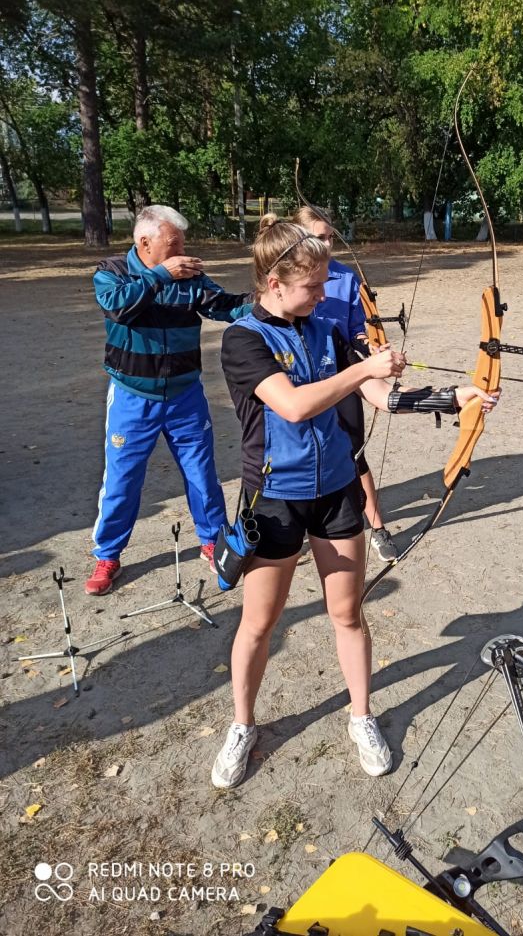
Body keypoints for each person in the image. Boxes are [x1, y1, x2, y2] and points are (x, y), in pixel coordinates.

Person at [212, 219, 499, 788]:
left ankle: (361, 716)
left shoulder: (325, 332)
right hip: (274, 499)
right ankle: (242, 725)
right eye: (312, 286)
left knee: (347, 613)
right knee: (259, 623)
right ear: (274, 283)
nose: (323, 295)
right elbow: (293, 405)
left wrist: (453, 396)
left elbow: (382, 396)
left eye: (324, 284)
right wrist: (364, 366)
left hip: (337, 491)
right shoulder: (243, 339)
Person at [86, 205, 252, 595]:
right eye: (174, 243)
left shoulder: (188, 275)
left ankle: (213, 542)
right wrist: (161, 275)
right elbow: (118, 307)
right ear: (145, 242)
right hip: (132, 398)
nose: (182, 252)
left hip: (184, 396)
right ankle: (108, 555)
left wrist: (268, 299)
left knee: (202, 475)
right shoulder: (112, 272)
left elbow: (225, 306)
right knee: (122, 481)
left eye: (182, 243)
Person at [289, 206, 397, 562]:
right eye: (317, 237)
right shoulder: (287, 276)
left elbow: (356, 330)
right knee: (300, 453)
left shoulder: (346, 277)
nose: (326, 244)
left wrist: (371, 349)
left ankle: (377, 528)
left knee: (354, 453)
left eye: (329, 237)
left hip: (342, 374)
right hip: (300, 380)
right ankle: (295, 531)